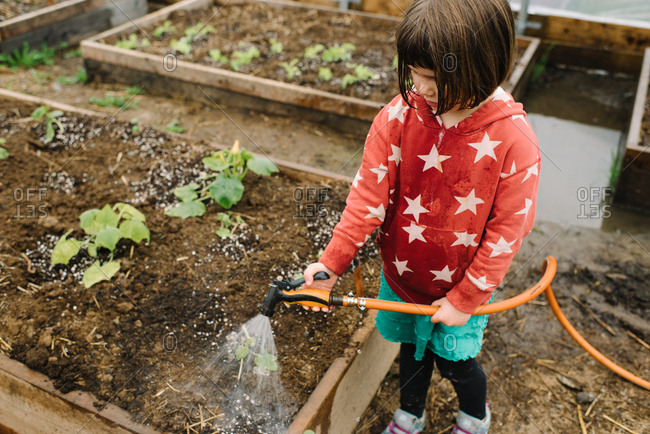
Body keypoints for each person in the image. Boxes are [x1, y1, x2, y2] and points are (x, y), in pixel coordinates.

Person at [303, 0, 540, 432]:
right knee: (411, 356)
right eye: (414, 72)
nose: (421, 87)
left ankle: (474, 416)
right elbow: (365, 201)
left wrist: (465, 299)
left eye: (433, 78)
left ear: (482, 64)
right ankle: (410, 413)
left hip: (461, 289)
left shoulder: (513, 140)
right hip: (401, 278)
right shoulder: (398, 117)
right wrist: (331, 263)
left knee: (457, 364)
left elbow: (508, 232)